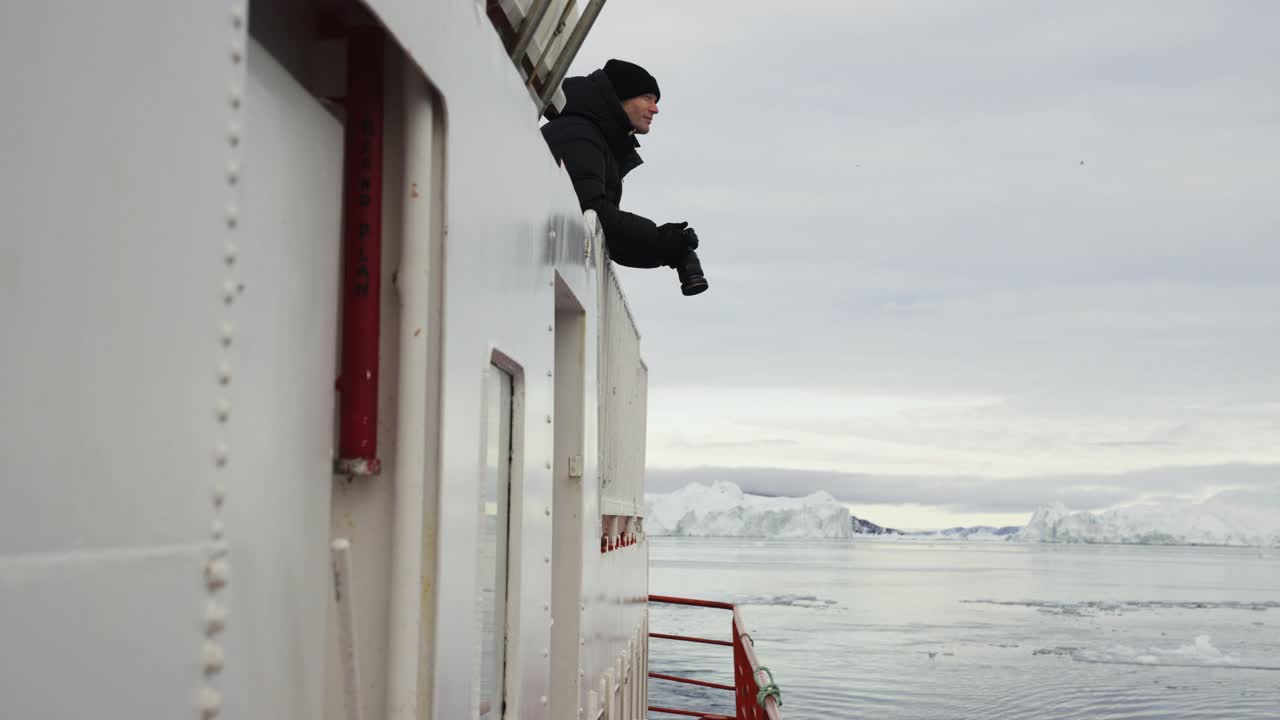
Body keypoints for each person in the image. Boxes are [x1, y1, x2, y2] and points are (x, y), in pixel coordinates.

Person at [542, 59, 708, 295]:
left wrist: (663, 248)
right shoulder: (578, 134)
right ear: (619, 96)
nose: (655, 109)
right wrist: (658, 238)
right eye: (647, 98)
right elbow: (590, 212)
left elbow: (608, 238)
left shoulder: (593, 137)